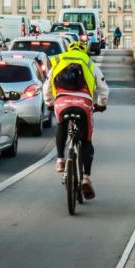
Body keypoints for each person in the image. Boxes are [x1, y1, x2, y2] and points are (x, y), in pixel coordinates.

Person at [43, 40, 109, 200]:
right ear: (84, 52)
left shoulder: (58, 60)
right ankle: (86, 178)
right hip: (83, 103)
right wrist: (101, 105)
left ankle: (60, 159)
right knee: (86, 141)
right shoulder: (89, 62)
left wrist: (50, 103)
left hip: (62, 101)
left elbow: (46, 87)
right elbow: (103, 89)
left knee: (61, 124)